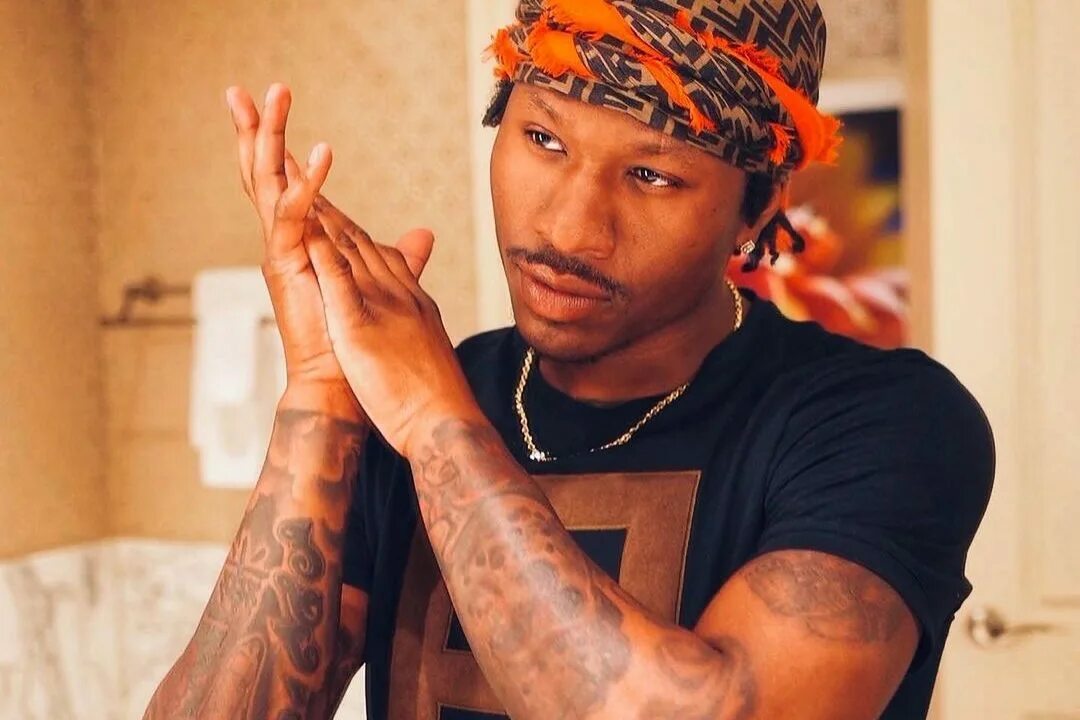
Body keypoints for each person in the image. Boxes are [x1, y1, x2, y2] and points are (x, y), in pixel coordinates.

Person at [145, 0, 994, 718]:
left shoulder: (884, 423)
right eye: (544, 139)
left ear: (758, 206)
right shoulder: (395, 407)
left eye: (653, 176)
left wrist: (437, 427)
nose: (569, 229)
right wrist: (322, 393)